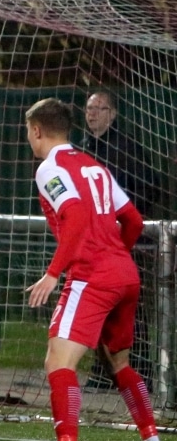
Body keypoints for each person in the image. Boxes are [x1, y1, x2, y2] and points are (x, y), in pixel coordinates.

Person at [20, 98, 169, 441]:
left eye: (28, 132)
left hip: (92, 276)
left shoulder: (49, 168)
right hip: (124, 274)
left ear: (37, 130)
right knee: (118, 362)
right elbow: (132, 219)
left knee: (58, 361)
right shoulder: (93, 166)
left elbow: (76, 215)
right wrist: (117, 254)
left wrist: (55, 272)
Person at [81, 90, 160, 391]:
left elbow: (150, 187)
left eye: (100, 108)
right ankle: (105, 374)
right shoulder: (84, 149)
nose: (93, 113)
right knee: (99, 308)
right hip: (95, 243)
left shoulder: (127, 148)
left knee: (131, 313)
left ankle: (140, 373)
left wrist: (122, 220)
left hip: (125, 243)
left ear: (112, 114)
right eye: (90, 108)